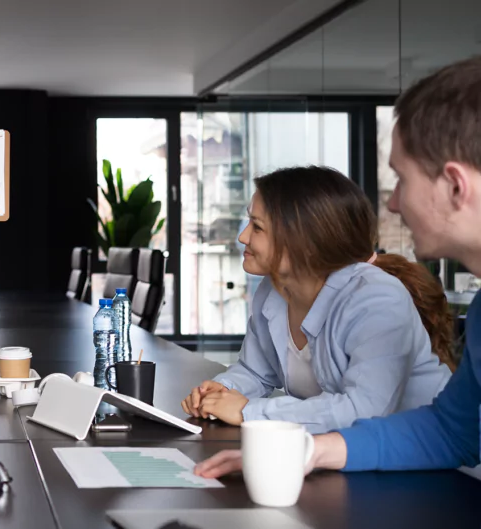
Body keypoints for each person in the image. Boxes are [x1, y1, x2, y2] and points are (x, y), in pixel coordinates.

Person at [195, 55, 481, 479]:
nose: (392, 203)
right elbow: (453, 431)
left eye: (402, 179)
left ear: (456, 186)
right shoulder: (479, 314)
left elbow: (376, 412)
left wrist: (256, 413)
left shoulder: (374, 296)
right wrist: (306, 451)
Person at [181, 166, 452, 433]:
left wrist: (246, 411)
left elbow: (364, 410)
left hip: (435, 464)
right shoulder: (273, 289)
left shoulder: (376, 298)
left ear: (306, 242)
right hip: (350, 458)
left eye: (257, 227)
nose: (243, 237)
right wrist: (222, 391)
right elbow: (255, 372)